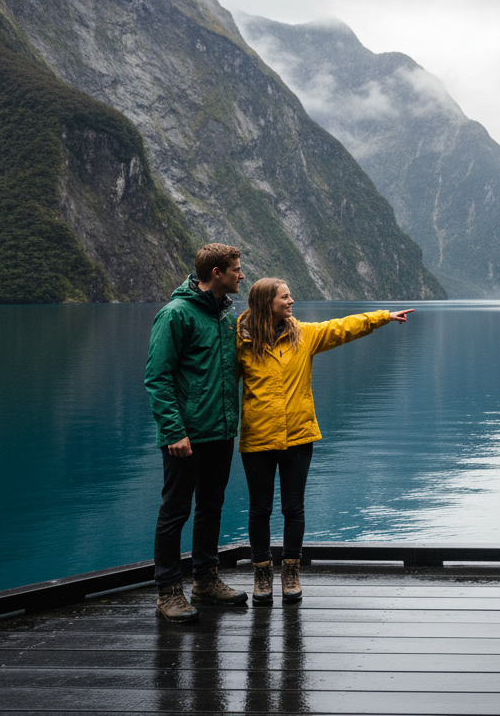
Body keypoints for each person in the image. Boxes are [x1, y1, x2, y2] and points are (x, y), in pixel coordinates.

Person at [237, 277, 411, 605]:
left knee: (293, 507)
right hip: (258, 437)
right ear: (266, 303)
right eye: (285, 298)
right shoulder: (240, 340)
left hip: (299, 436)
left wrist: (382, 317)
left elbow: (341, 327)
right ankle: (262, 574)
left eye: (290, 296)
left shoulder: (303, 335)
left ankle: (290, 572)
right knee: (259, 509)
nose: (291, 302)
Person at [145, 244, 247, 623]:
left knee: (211, 507)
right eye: (236, 270)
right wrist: (174, 431)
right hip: (185, 436)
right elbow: (157, 378)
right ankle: (168, 591)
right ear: (217, 272)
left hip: (220, 432)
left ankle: (205, 580)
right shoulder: (175, 314)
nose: (241, 276)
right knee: (174, 512)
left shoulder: (224, 317)